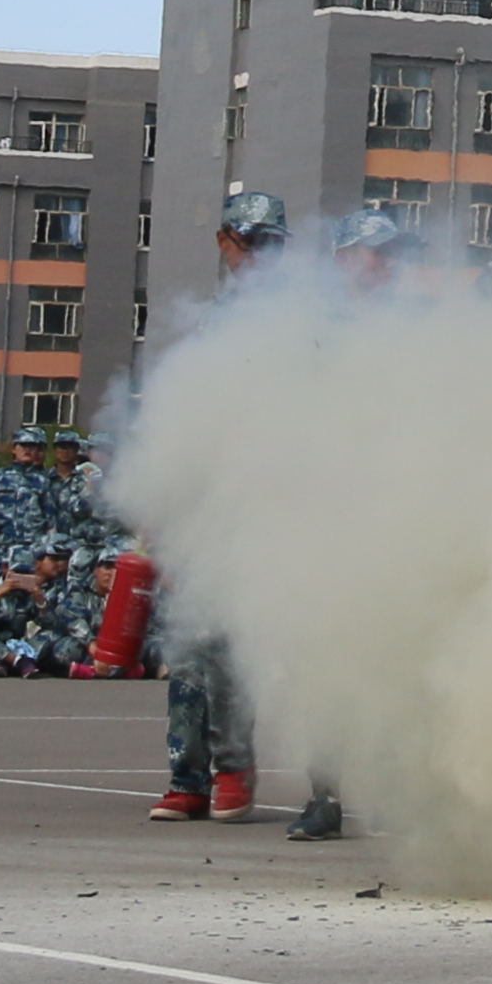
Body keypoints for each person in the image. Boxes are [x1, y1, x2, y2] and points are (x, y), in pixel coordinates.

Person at [152, 188, 288, 822]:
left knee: (232, 643)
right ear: (224, 243)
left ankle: (234, 767)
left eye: (272, 243)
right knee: (187, 642)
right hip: (203, 504)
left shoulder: (296, 317)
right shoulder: (211, 321)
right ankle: (186, 776)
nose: (261, 255)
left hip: (261, 503)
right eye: (251, 242)